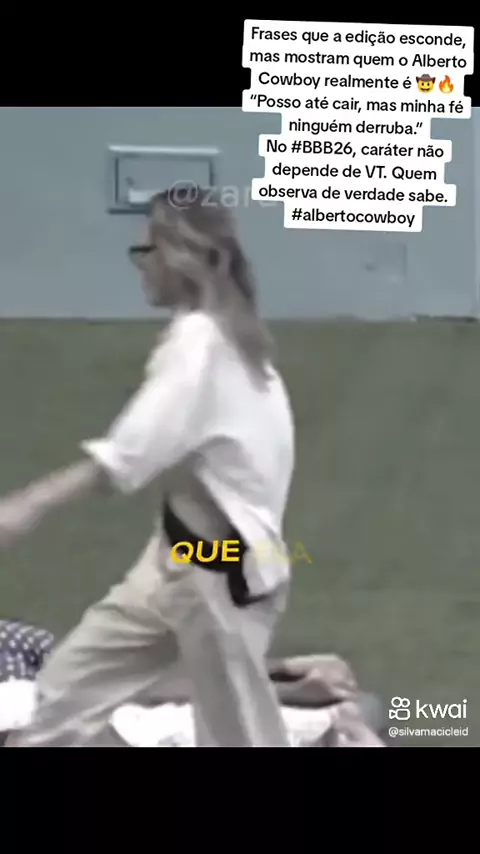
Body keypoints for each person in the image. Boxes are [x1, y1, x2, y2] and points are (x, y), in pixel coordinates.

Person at [0, 187, 295, 747]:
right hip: (180, 559)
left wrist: (26, 507)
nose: (142, 266)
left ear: (183, 256)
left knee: (239, 738)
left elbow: (128, 455)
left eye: (148, 251)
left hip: (217, 573)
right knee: (58, 699)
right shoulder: (229, 340)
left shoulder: (202, 346)